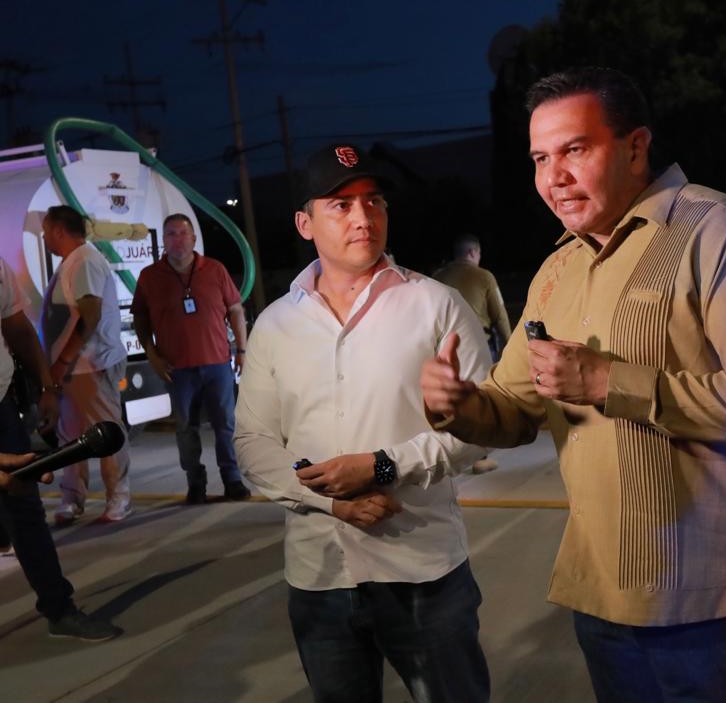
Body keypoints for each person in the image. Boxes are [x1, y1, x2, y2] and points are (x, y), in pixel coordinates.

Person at [421, 67, 726, 702]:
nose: (554, 177)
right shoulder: (558, 268)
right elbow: (514, 408)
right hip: (602, 601)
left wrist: (611, 381)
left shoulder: (719, 233)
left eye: (575, 150)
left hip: (714, 605)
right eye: (540, 159)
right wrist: (458, 404)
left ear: (636, 147)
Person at [235, 143, 492, 702]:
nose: (363, 217)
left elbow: (481, 430)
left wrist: (381, 467)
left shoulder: (437, 305)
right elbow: (253, 442)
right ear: (304, 224)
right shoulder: (275, 325)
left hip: (422, 571)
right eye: (341, 205)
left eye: (373, 201)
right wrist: (332, 503)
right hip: (319, 578)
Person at [0, 255, 121, 640]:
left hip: (1, 407)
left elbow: (16, 326)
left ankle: (58, 608)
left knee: (24, 507)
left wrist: (47, 388)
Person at [131, 213, 251, 504]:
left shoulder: (215, 269)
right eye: (171, 234)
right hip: (177, 369)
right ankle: (195, 483)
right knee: (186, 428)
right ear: (163, 240)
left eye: (183, 233)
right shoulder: (150, 276)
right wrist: (152, 355)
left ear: (194, 238)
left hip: (217, 363)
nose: (178, 240)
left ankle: (232, 479)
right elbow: (140, 319)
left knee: (226, 425)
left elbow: (236, 310)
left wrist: (242, 350)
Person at [40, 205, 133, 526]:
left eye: (45, 231)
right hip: (73, 370)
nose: (44, 238)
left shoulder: (85, 261)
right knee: (70, 438)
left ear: (58, 231)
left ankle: (119, 498)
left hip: (91, 366)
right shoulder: (72, 262)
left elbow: (89, 315)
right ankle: (72, 498)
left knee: (105, 432)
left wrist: (64, 359)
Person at [433, 233, 512, 475]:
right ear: (472, 253)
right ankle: (479, 457)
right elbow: (499, 315)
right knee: (478, 401)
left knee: (447, 402)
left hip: (442, 347)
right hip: (477, 345)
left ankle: (445, 454)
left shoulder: (437, 277)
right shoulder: (484, 276)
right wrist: (509, 345)